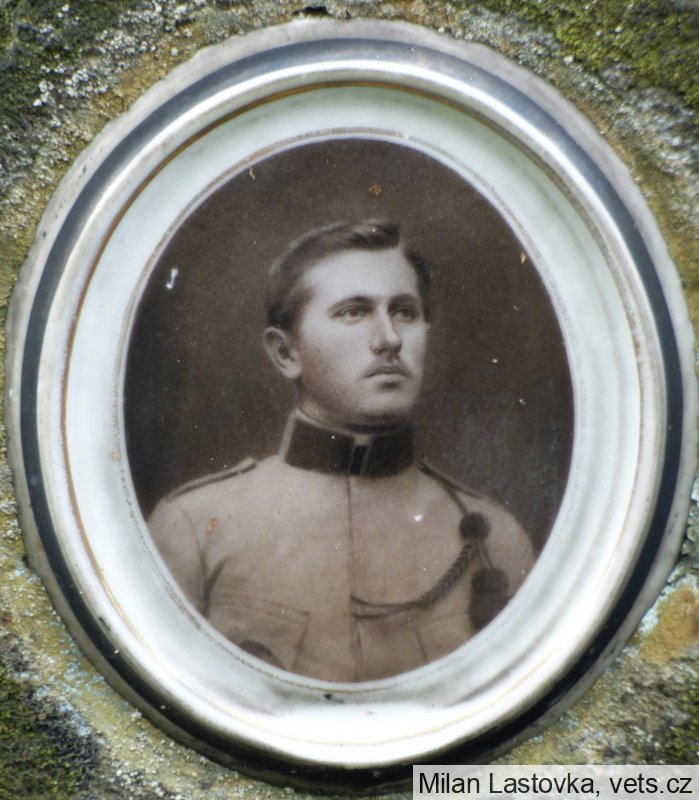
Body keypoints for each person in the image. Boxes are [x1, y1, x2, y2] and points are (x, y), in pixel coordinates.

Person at [148, 221, 534, 682]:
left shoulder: (495, 540)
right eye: (354, 312)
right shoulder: (192, 530)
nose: (389, 338)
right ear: (286, 353)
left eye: (405, 312)